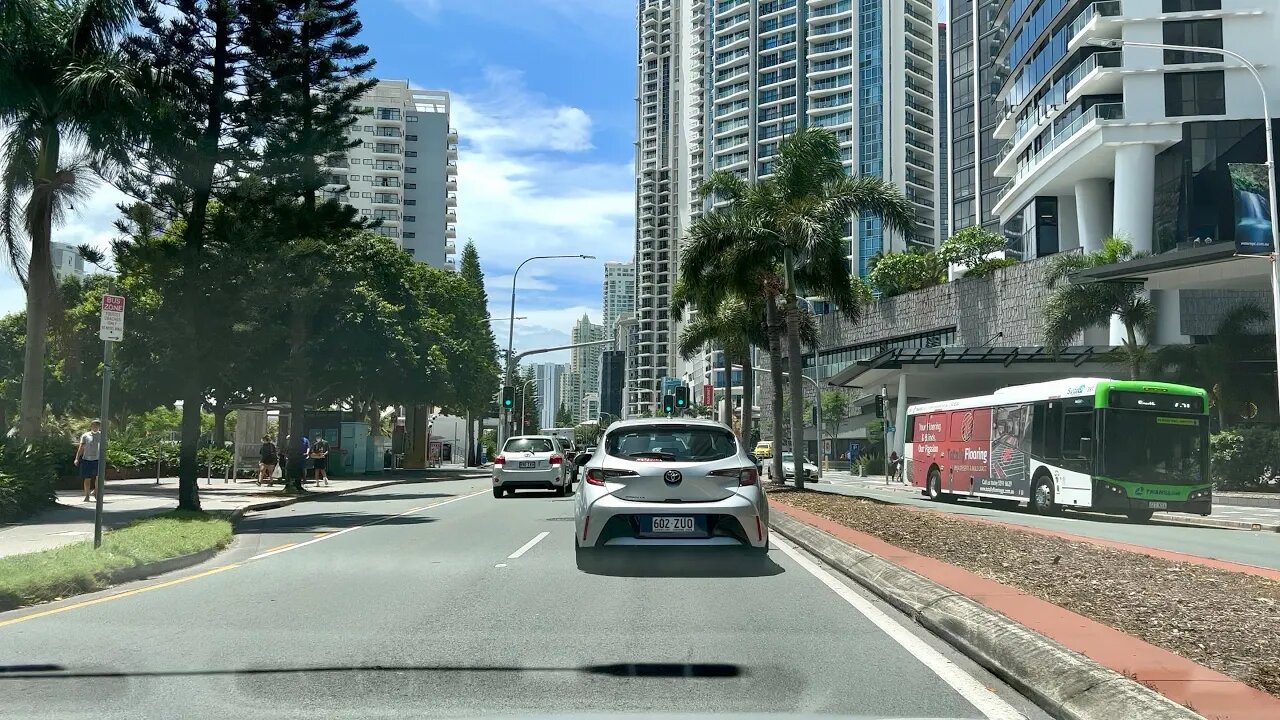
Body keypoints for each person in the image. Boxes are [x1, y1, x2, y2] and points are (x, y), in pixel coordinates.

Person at [74, 420, 102, 502]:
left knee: (99, 477)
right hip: (86, 459)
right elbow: (81, 447)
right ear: (91, 426)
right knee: (87, 478)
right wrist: (77, 458)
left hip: (97, 459)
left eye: (97, 426)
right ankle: (87, 495)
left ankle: (96, 492)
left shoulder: (102, 435)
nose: (95, 427)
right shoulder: (85, 435)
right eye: (94, 425)